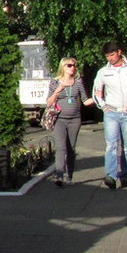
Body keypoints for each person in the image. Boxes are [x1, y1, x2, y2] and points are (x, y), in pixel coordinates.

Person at [92, 41, 127, 189]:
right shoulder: (103, 72)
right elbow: (97, 92)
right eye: (107, 56)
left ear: (119, 52)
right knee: (111, 145)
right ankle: (110, 176)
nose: (110, 58)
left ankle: (125, 175)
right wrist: (104, 107)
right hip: (112, 113)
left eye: (112, 54)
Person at [46, 57, 94, 187]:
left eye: (74, 65)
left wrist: (97, 98)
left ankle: (70, 176)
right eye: (69, 65)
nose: (72, 68)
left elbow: (85, 100)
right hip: (59, 119)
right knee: (61, 147)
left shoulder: (78, 82)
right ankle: (59, 176)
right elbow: (49, 102)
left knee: (71, 148)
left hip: (75, 119)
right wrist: (58, 90)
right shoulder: (55, 82)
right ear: (63, 67)